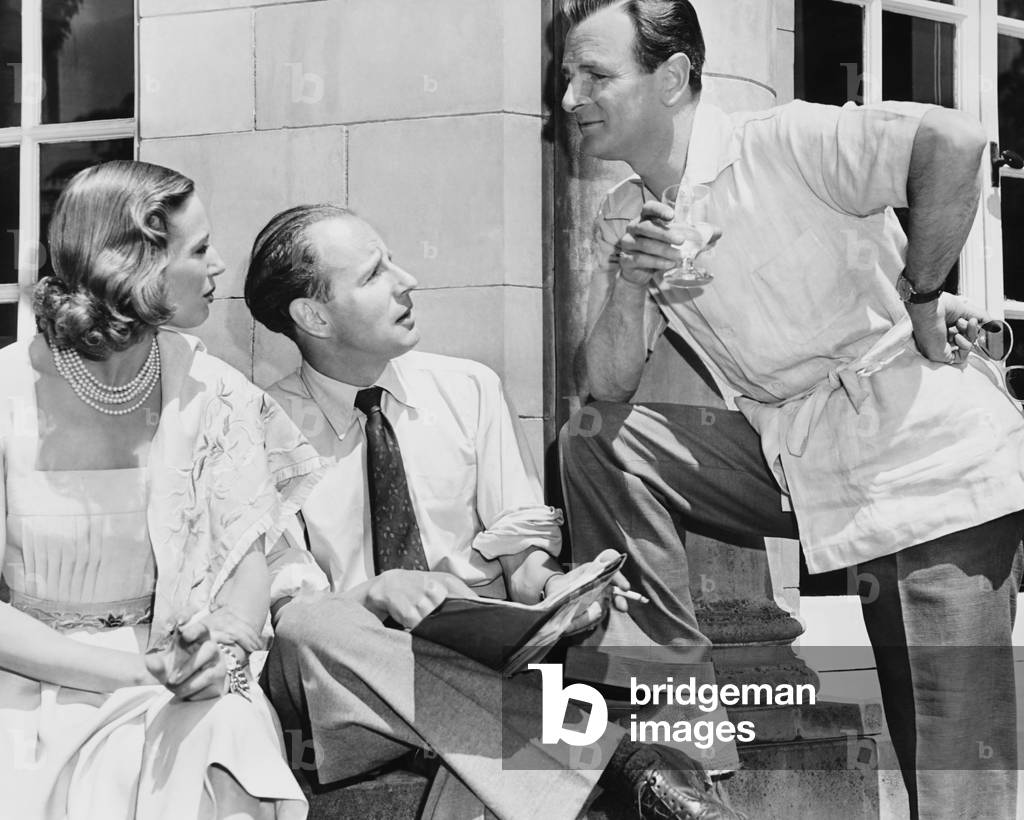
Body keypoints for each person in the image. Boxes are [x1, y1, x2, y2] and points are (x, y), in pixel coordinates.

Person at [556, 1, 1024, 818]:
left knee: (950, 760)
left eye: (594, 74)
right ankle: (677, 726)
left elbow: (953, 144)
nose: (570, 98)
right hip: (798, 463)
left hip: (928, 462)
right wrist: (631, 281)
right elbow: (607, 386)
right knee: (597, 439)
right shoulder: (626, 216)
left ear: (672, 78)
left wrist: (922, 293)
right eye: (567, 76)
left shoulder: (785, 139)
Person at [246, 203, 745, 820]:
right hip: (348, 689)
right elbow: (284, 602)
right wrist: (377, 594)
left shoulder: (468, 388)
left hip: (477, 657)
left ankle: (588, 763)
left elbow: (520, 546)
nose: (408, 279)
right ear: (313, 315)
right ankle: (623, 764)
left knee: (506, 710)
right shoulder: (258, 427)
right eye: (375, 274)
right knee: (309, 629)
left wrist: (553, 587)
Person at [0, 160, 324, 819]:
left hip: (176, 675)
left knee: (227, 738)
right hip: (24, 684)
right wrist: (133, 675)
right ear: (135, 263)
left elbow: (247, 555)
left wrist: (223, 648)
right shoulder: (5, 392)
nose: (219, 266)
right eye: (199, 249)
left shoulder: (214, 389)